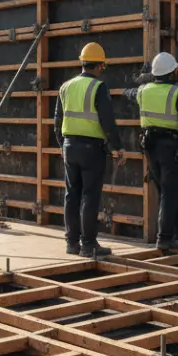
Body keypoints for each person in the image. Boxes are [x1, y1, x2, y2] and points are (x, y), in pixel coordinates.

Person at [55, 42, 124, 257]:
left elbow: (57, 122)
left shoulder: (65, 86)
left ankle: (72, 243)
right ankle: (88, 244)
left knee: (71, 195)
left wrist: (63, 146)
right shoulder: (98, 87)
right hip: (91, 149)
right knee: (89, 196)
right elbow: (108, 122)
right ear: (100, 66)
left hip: (69, 146)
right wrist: (118, 147)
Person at [136, 52, 178, 251]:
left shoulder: (142, 90)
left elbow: (130, 93)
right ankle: (164, 238)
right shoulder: (177, 93)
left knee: (166, 191)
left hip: (149, 146)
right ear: (172, 71)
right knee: (170, 193)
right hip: (170, 147)